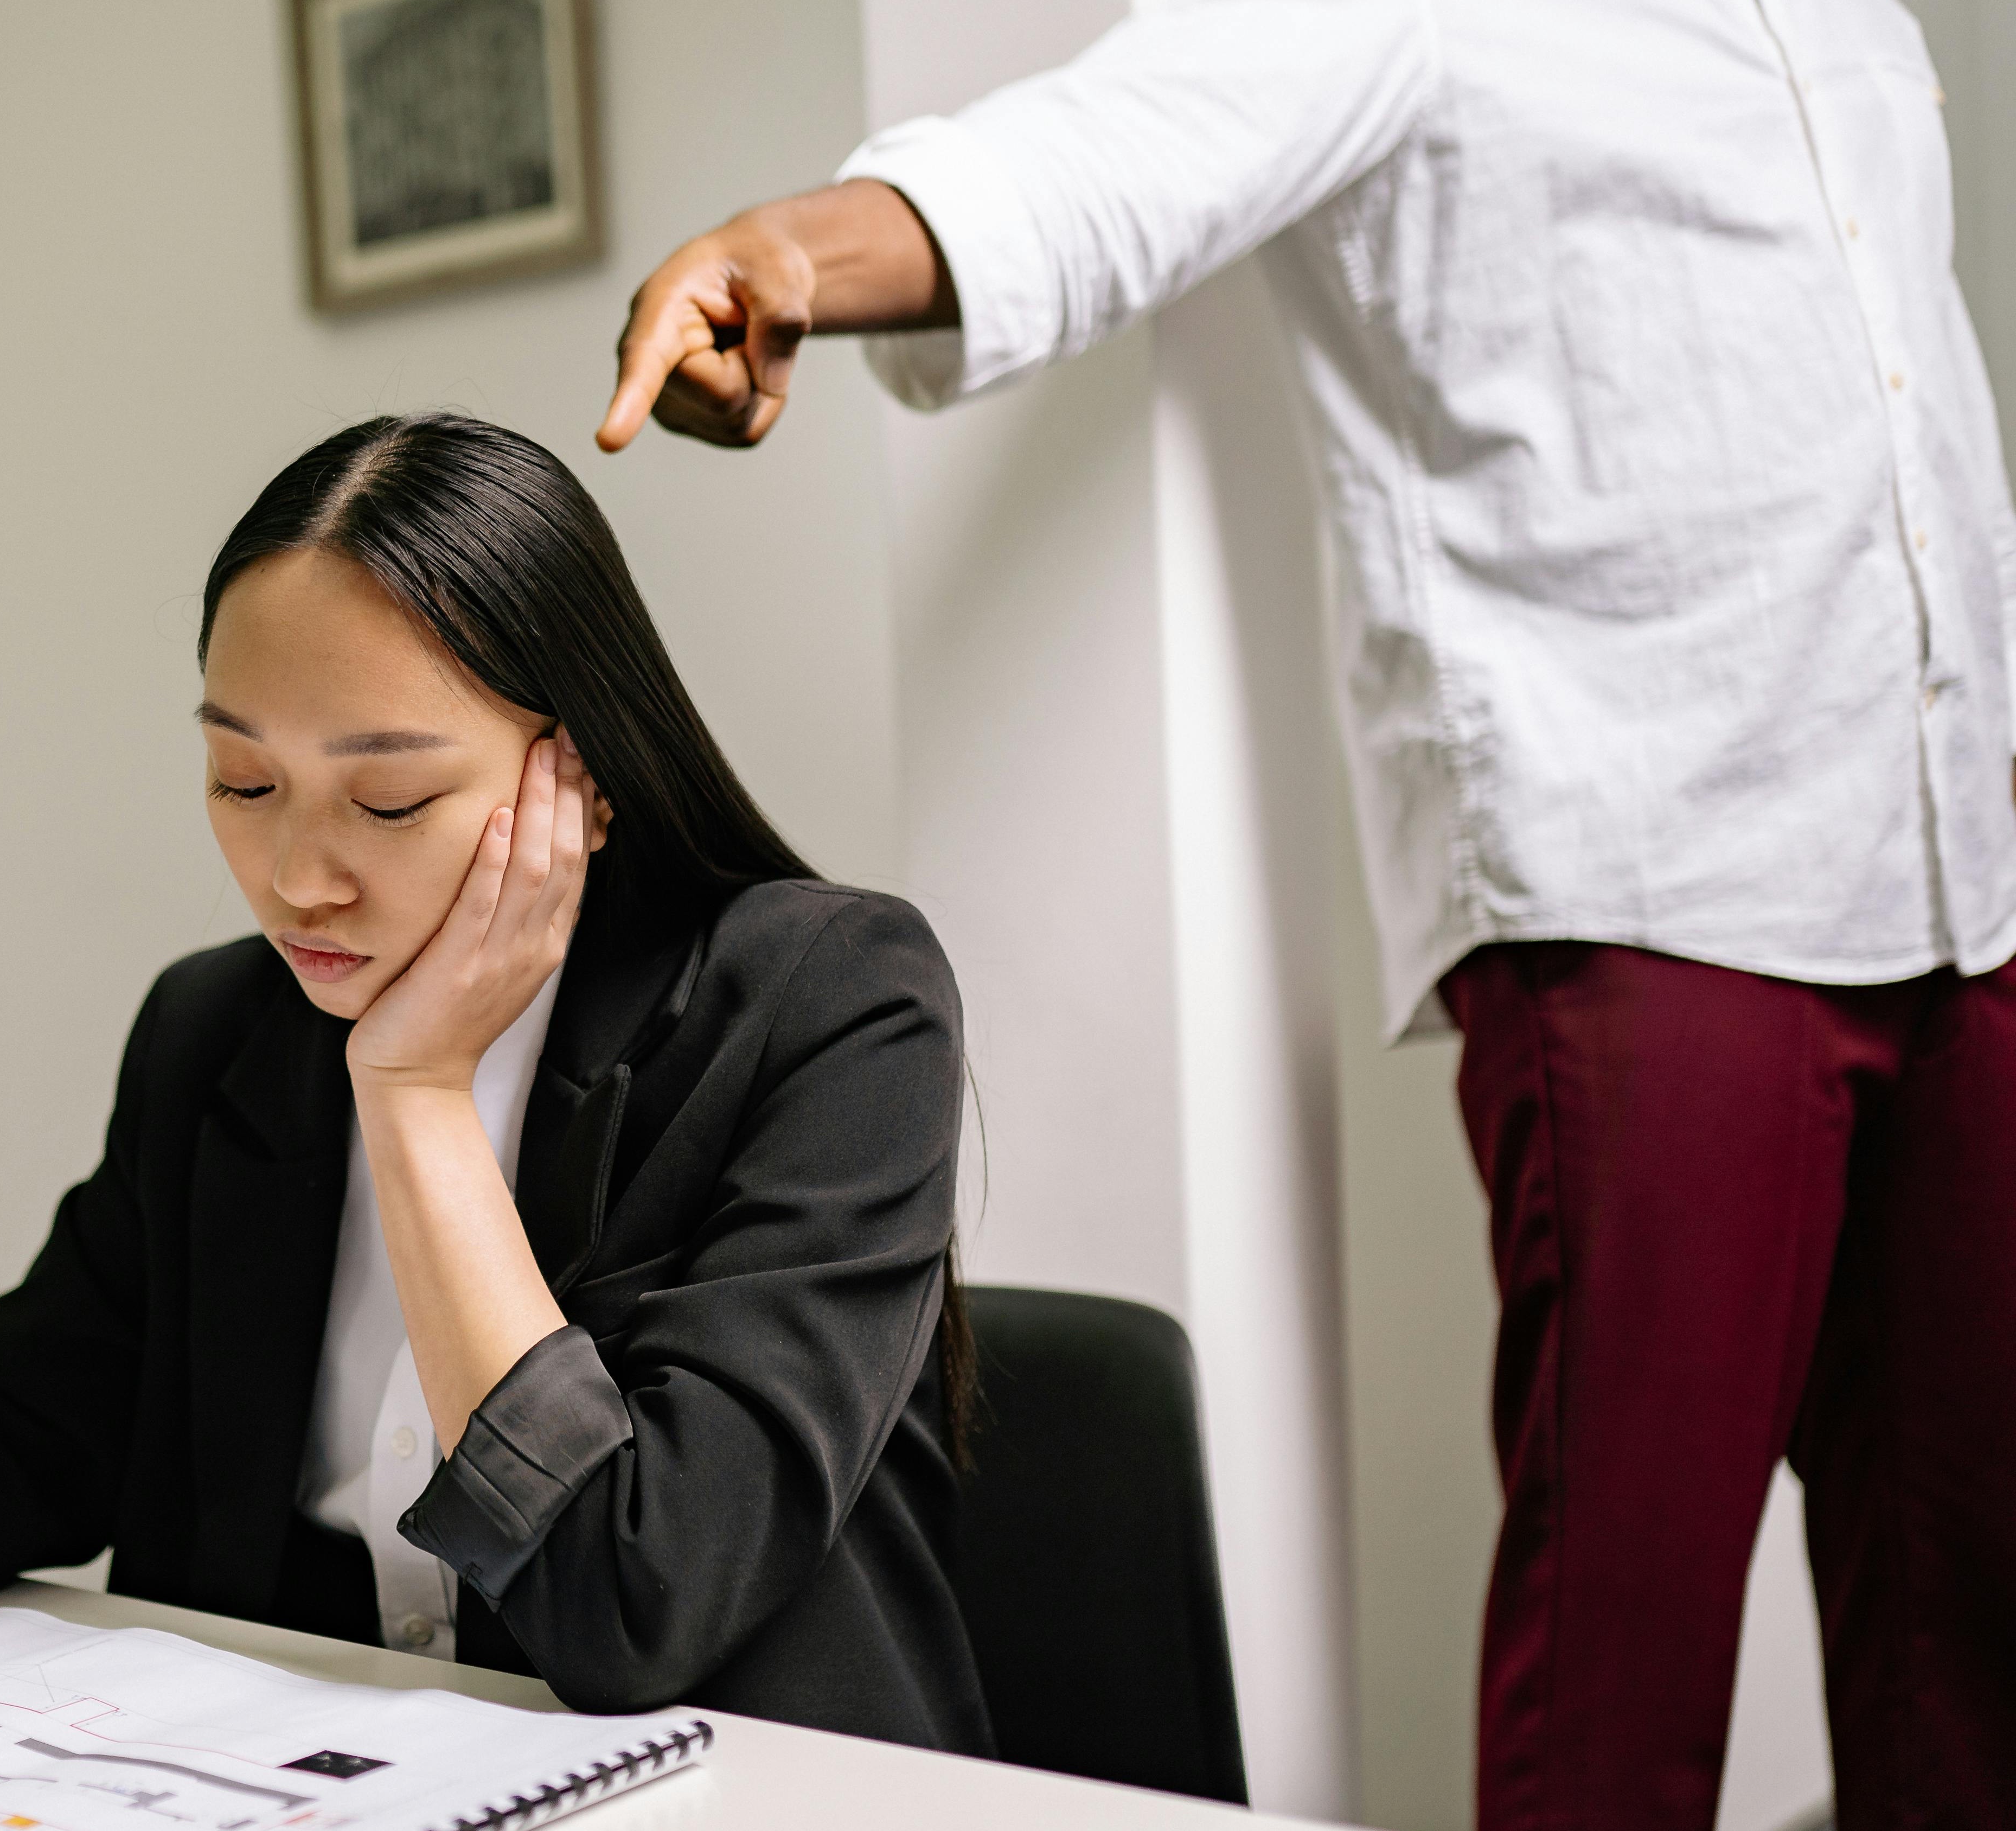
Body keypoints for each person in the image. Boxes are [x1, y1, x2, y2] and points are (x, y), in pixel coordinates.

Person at [594, 3, 2016, 1828]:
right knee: (1629, 1666)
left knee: (1971, 1622)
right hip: (1649, 880)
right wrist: (792, 250)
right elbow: (1095, 162)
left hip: (1959, 876)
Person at [0, 412, 993, 1799]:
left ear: (585, 779)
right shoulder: (220, 1031)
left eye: (387, 803)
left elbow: (638, 1593)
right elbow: (6, 1431)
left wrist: (422, 1094)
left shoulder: (831, 1006)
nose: (300, 877)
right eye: (243, 780)